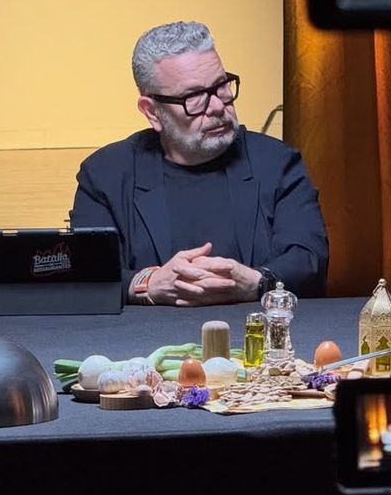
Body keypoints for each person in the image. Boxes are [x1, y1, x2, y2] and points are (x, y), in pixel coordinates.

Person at [70, 21, 328, 307]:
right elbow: (86, 275)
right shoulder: (105, 174)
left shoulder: (277, 163)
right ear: (152, 112)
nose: (218, 106)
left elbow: (310, 259)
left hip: (256, 338)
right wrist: (146, 284)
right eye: (194, 97)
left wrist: (255, 282)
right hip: (145, 343)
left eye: (221, 86)